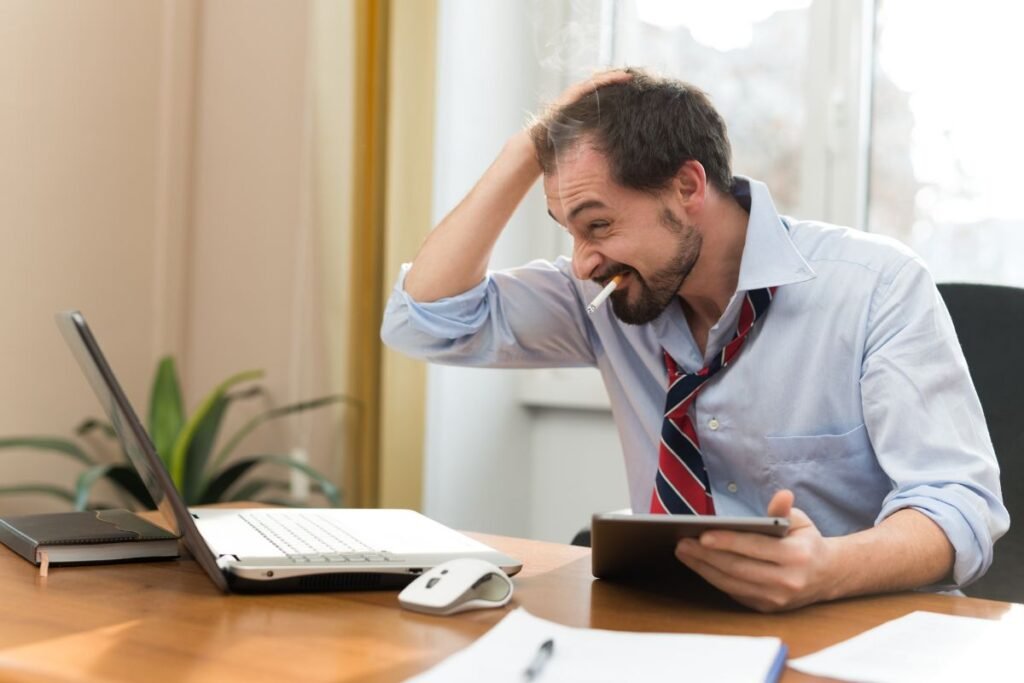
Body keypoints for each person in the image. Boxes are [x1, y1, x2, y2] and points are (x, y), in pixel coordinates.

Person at [380, 69, 1008, 612]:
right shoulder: (607, 295)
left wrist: (827, 570)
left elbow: (959, 504)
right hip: (671, 620)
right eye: (569, 231)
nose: (581, 262)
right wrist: (530, 144)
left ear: (686, 188)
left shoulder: (874, 286)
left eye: (598, 224)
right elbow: (427, 321)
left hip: (857, 628)